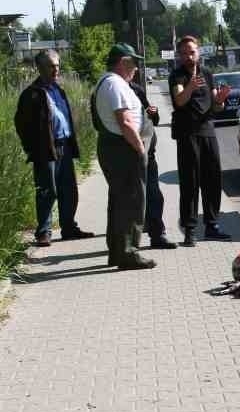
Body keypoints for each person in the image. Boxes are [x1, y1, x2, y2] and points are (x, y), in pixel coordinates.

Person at [14, 49, 94, 247]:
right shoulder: (32, 94)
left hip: (64, 145)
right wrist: (31, 148)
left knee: (69, 189)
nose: (56, 69)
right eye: (51, 66)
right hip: (45, 149)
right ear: (39, 68)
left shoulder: (59, 89)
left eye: (58, 65)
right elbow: (20, 123)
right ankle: (44, 232)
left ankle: (68, 227)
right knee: (46, 190)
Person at [90, 43, 155, 270]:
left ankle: (118, 252)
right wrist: (140, 149)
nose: (136, 68)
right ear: (123, 62)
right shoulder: (114, 84)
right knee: (132, 202)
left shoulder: (110, 83)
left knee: (120, 202)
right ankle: (128, 253)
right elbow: (125, 122)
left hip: (116, 148)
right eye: (133, 63)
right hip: (124, 150)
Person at [168, 35, 232, 246]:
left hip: (207, 132)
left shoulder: (207, 73)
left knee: (213, 181)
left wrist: (220, 101)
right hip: (187, 135)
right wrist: (190, 87)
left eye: (192, 52)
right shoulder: (177, 75)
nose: (189, 56)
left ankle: (212, 225)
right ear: (179, 55)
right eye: (184, 53)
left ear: (198, 53)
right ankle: (189, 230)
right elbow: (179, 101)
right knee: (190, 182)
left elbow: (215, 106)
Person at [128, 80, 177, 249]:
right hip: (127, 155)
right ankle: (128, 242)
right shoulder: (111, 90)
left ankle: (157, 235)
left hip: (148, 153)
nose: (133, 70)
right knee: (131, 199)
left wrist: (153, 113)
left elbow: (153, 120)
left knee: (154, 195)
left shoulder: (136, 89)